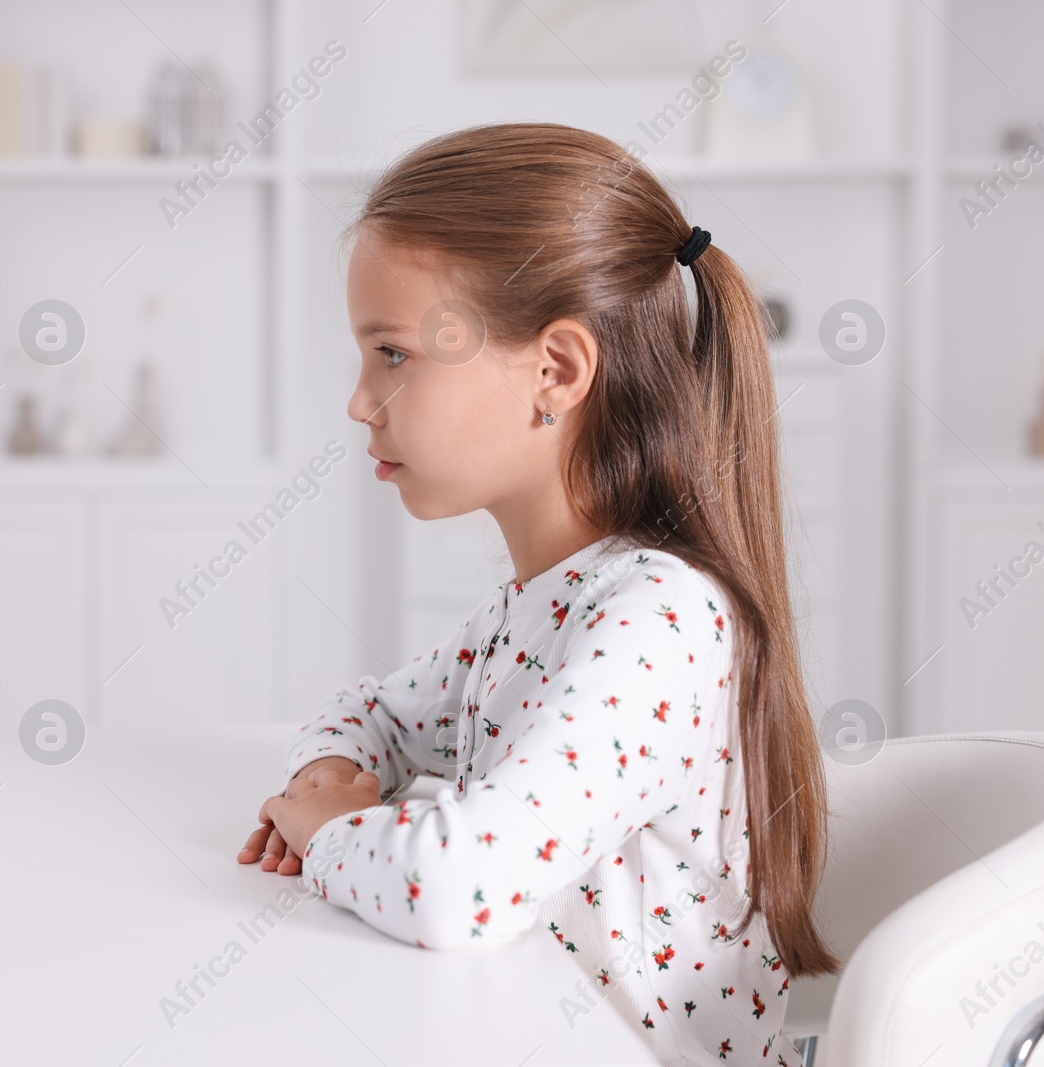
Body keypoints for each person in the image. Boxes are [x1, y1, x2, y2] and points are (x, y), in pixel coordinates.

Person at [235, 123, 839, 1066]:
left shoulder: (656, 620)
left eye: (392, 353)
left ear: (555, 371)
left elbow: (460, 883)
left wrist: (326, 829)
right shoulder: (542, 609)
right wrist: (330, 772)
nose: (360, 399)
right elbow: (370, 714)